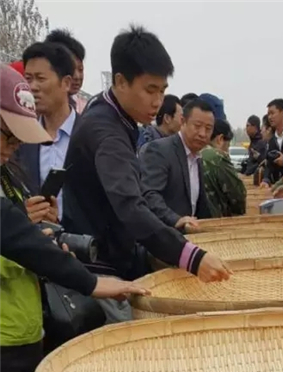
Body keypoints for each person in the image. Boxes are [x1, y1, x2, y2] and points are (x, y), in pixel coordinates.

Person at [0, 64, 147, 372]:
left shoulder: (9, 176)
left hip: (24, 323)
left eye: (16, 141)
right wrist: (93, 282)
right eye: (6, 138)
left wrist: (43, 235)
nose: (11, 149)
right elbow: (17, 240)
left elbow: (23, 236)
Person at [62, 27, 228, 282]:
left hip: (111, 251)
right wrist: (191, 256)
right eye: (150, 90)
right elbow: (131, 207)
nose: (158, 101)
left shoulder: (110, 113)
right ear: (120, 81)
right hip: (99, 266)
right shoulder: (108, 133)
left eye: (162, 91)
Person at [18, 41, 76, 218]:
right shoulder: (21, 138)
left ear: (66, 83)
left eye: (41, 79)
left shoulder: (90, 135)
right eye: (28, 79)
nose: (33, 87)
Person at [140, 97, 213, 229]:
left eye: (208, 129)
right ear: (183, 122)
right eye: (197, 126)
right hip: (163, 235)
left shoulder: (197, 157)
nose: (203, 134)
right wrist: (176, 220)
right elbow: (149, 194)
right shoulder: (159, 150)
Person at [202, 119, 246, 218]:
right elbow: (238, 195)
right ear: (220, 139)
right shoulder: (217, 158)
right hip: (214, 220)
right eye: (228, 145)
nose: (227, 150)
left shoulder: (194, 152)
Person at [46, 28, 87, 112]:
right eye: (71, 68)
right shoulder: (33, 107)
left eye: (80, 69)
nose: (77, 76)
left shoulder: (83, 110)